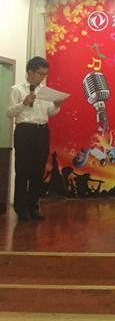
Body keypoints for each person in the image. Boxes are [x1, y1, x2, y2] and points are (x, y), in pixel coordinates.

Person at [6, 56, 63, 221]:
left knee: (38, 171)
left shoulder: (44, 91)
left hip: (42, 131)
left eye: (45, 74)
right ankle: (21, 208)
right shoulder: (17, 89)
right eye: (40, 73)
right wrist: (23, 103)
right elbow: (9, 112)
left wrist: (56, 106)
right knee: (23, 171)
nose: (42, 77)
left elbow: (49, 112)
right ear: (30, 71)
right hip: (25, 131)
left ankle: (33, 207)